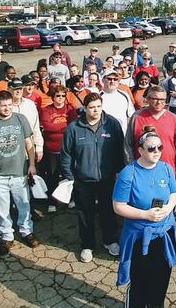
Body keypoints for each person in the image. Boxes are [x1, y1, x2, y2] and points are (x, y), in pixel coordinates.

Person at [113, 127, 176, 307]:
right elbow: (118, 206)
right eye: (151, 148)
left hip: (164, 233)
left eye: (160, 147)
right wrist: (145, 214)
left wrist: (168, 209)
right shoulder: (128, 173)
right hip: (139, 237)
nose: (156, 152)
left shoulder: (166, 168)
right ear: (140, 150)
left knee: (161, 280)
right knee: (140, 282)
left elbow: (174, 194)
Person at [61, 92, 125, 261]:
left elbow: (120, 150)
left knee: (108, 211)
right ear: (85, 108)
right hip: (83, 180)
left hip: (107, 178)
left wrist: (120, 171)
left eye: (98, 106)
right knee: (85, 214)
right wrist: (70, 177)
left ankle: (110, 241)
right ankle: (87, 245)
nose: (95, 110)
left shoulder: (112, 124)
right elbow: (66, 154)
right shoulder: (74, 128)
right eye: (91, 107)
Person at [0, 91, 40, 255]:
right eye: (3, 105)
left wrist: (31, 165)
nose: (7, 108)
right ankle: (7, 236)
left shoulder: (20, 119)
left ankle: (26, 231)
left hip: (19, 172)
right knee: (2, 208)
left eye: (9, 105)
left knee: (24, 204)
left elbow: (29, 143)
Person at [125, 86, 176, 189]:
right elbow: (128, 147)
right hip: (141, 173)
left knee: (167, 204)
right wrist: (131, 170)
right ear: (148, 99)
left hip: (167, 172)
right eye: (155, 99)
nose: (159, 102)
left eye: (162, 99)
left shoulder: (172, 118)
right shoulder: (137, 117)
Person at [39, 85, 78, 213]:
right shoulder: (46, 110)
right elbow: (47, 126)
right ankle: (52, 201)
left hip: (68, 149)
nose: (60, 98)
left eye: (63, 96)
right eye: (58, 96)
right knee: (52, 177)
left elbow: (72, 125)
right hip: (52, 149)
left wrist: (58, 126)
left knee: (69, 175)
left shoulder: (70, 109)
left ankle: (71, 199)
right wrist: (63, 126)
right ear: (53, 97)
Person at [0, 78, 44, 164]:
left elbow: (35, 128)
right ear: (8, 89)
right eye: (15, 89)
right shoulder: (1, 107)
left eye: (20, 88)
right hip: (7, 153)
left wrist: (39, 147)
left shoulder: (30, 105)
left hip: (28, 152)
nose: (18, 91)